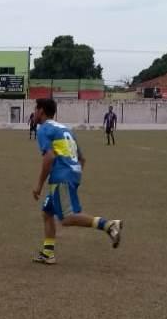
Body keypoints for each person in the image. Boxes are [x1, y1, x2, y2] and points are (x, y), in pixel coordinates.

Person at [31, 98, 123, 265]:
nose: (34, 113)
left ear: (42, 111)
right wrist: (74, 175)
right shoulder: (65, 129)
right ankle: (48, 253)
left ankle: (108, 225)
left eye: (36, 109)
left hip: (61, 177)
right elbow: (82, 159)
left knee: (67, 218)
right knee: (47, 212)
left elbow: (49, 157)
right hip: (72, 173)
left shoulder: (44, 129)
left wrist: (38, 184)